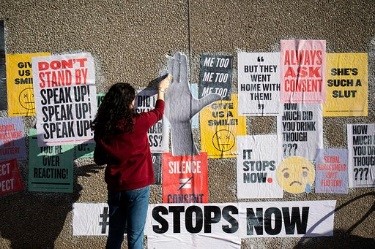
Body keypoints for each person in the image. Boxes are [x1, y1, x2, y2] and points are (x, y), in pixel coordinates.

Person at [92, 74, 171, 249]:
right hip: (138, 187)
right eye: (132, 100)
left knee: (114, 236)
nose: (134, 103)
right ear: (128, 103)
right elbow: (158, 112)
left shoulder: (103, 128)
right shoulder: (137, 122)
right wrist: (161, 89)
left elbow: (99, 158)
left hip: (116, 187)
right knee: (135, 237)